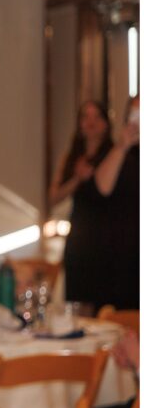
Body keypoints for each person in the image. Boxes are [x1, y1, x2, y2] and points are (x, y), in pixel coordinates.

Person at [50, 100, 114, 312]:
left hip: (107, 233)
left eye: (96, 117)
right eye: (86, 117)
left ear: (105, 123)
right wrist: (77, 178)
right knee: (79, 297)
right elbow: (53, 197)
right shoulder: (71, 158)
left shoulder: (114, 155)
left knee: (105, 298)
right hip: (80, 233)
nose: (91, 122)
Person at [89, 96, 139, 311]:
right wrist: (123, 145)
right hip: (122, 262)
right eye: (135, 115)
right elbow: (102, 186)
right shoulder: (121, 154)